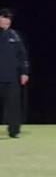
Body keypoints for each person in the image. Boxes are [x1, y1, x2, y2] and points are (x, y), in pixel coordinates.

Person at [0, 8, 31, 138]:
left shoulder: (15, 35)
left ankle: (14, 131)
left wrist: (25, 72)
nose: (7, 21)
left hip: (12, 77)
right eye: (4, 18)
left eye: (9, 19)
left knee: (14, 105)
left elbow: (23, 55)